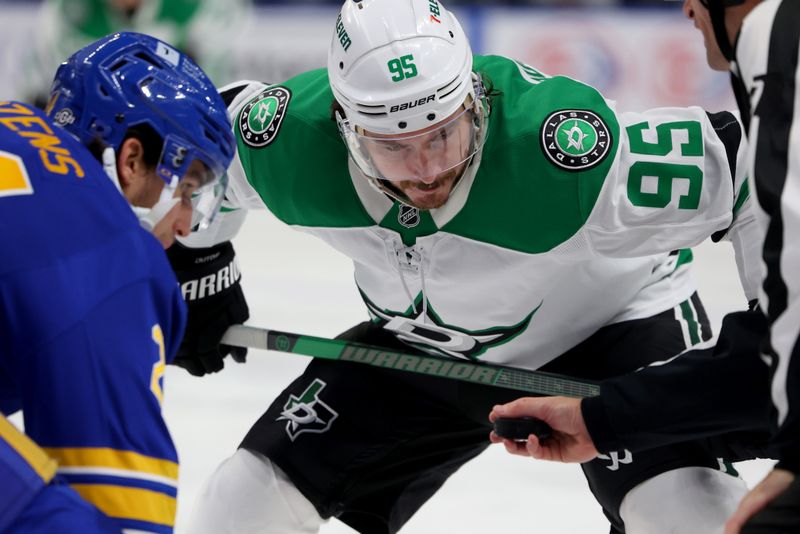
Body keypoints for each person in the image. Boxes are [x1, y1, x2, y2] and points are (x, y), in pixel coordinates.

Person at [170, 0, 767, 531]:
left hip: (611, 334)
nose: (427, 171)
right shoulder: (290, 138)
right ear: (345, 126)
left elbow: (749, 170)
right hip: (423, 348)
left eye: (444, 136)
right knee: (239, 503)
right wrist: (203, 263)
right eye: (393, 147)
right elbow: (203, 150)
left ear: (475, 101)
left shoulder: (560, 153)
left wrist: (778, 329)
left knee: (685, 515)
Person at [489, 0, 800, 532]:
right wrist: (602, 418)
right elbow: (778, 351)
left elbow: (783, 344)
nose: (687, 9)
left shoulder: (778, 45)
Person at [0, 31, 235, 533]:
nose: (188, 223)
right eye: (188, 188)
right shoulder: (115, 257)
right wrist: (134, 315)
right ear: (131, 160)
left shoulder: (10, 119)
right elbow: (124, 513)